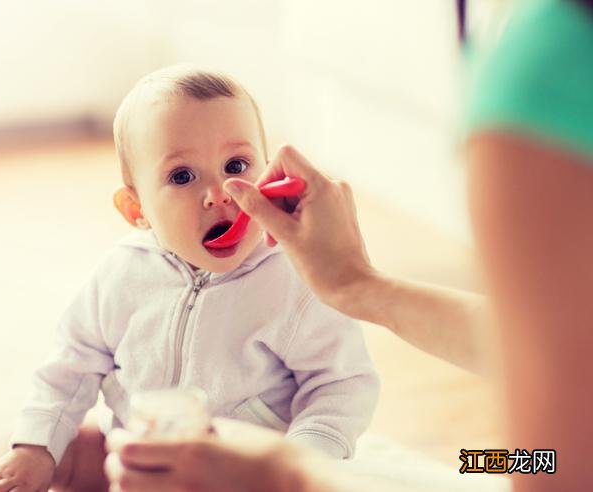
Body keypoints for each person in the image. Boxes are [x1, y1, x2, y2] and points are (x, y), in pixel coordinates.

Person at [105, 0, 593, 491]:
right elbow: (548, 373)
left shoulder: (549, 62)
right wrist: (358, 284)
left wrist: (284, 473)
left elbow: (561, 460)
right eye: (182, 176)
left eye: (235, 166)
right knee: (488, 460)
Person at [0, 66, 379, 492]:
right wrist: (36, 447)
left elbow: (341, 383)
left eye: (236, 164)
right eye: (182, 176)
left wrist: (301, 459)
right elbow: (72, 362)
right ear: (137, 210)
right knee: (37, 448)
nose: (220, 192)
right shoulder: (122, 274)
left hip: (238, 472)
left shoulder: (292, 278)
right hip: (137, 453)